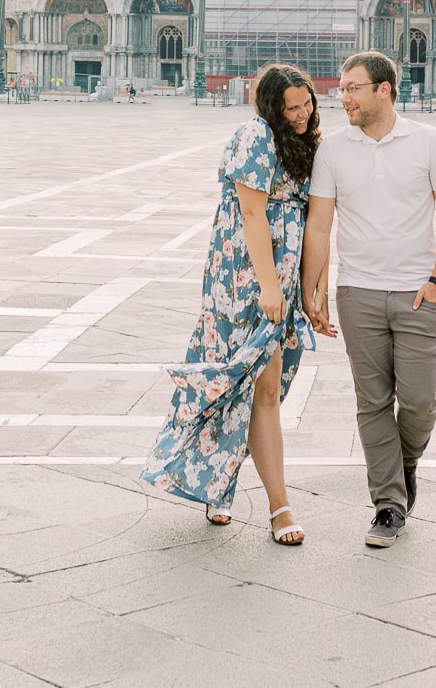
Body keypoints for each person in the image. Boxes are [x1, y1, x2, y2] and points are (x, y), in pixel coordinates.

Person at [143, 63, 320, 543]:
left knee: (254, 388)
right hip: (244, 279)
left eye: (307, 103)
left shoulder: (302, 140)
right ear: (270, 107)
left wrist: (308, 290)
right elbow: (250, 211)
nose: (303, 113)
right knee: (253, 386)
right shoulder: (255, 134)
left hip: (278, 279)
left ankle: (217, 486)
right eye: (293, 106)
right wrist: (268, 287)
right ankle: (280, 508)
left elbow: (312, 223)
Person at [302, 50, 436, 549]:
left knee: (419, 401)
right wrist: (316, 290)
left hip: (418, 292)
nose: (342, 96)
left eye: (353, 88)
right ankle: (389, 505)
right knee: (372, 402)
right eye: (343, 87)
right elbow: (321, 224)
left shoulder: (428, 142)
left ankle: (404, 463)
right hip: (359, 292)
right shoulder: (331, 151)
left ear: (383, 90)